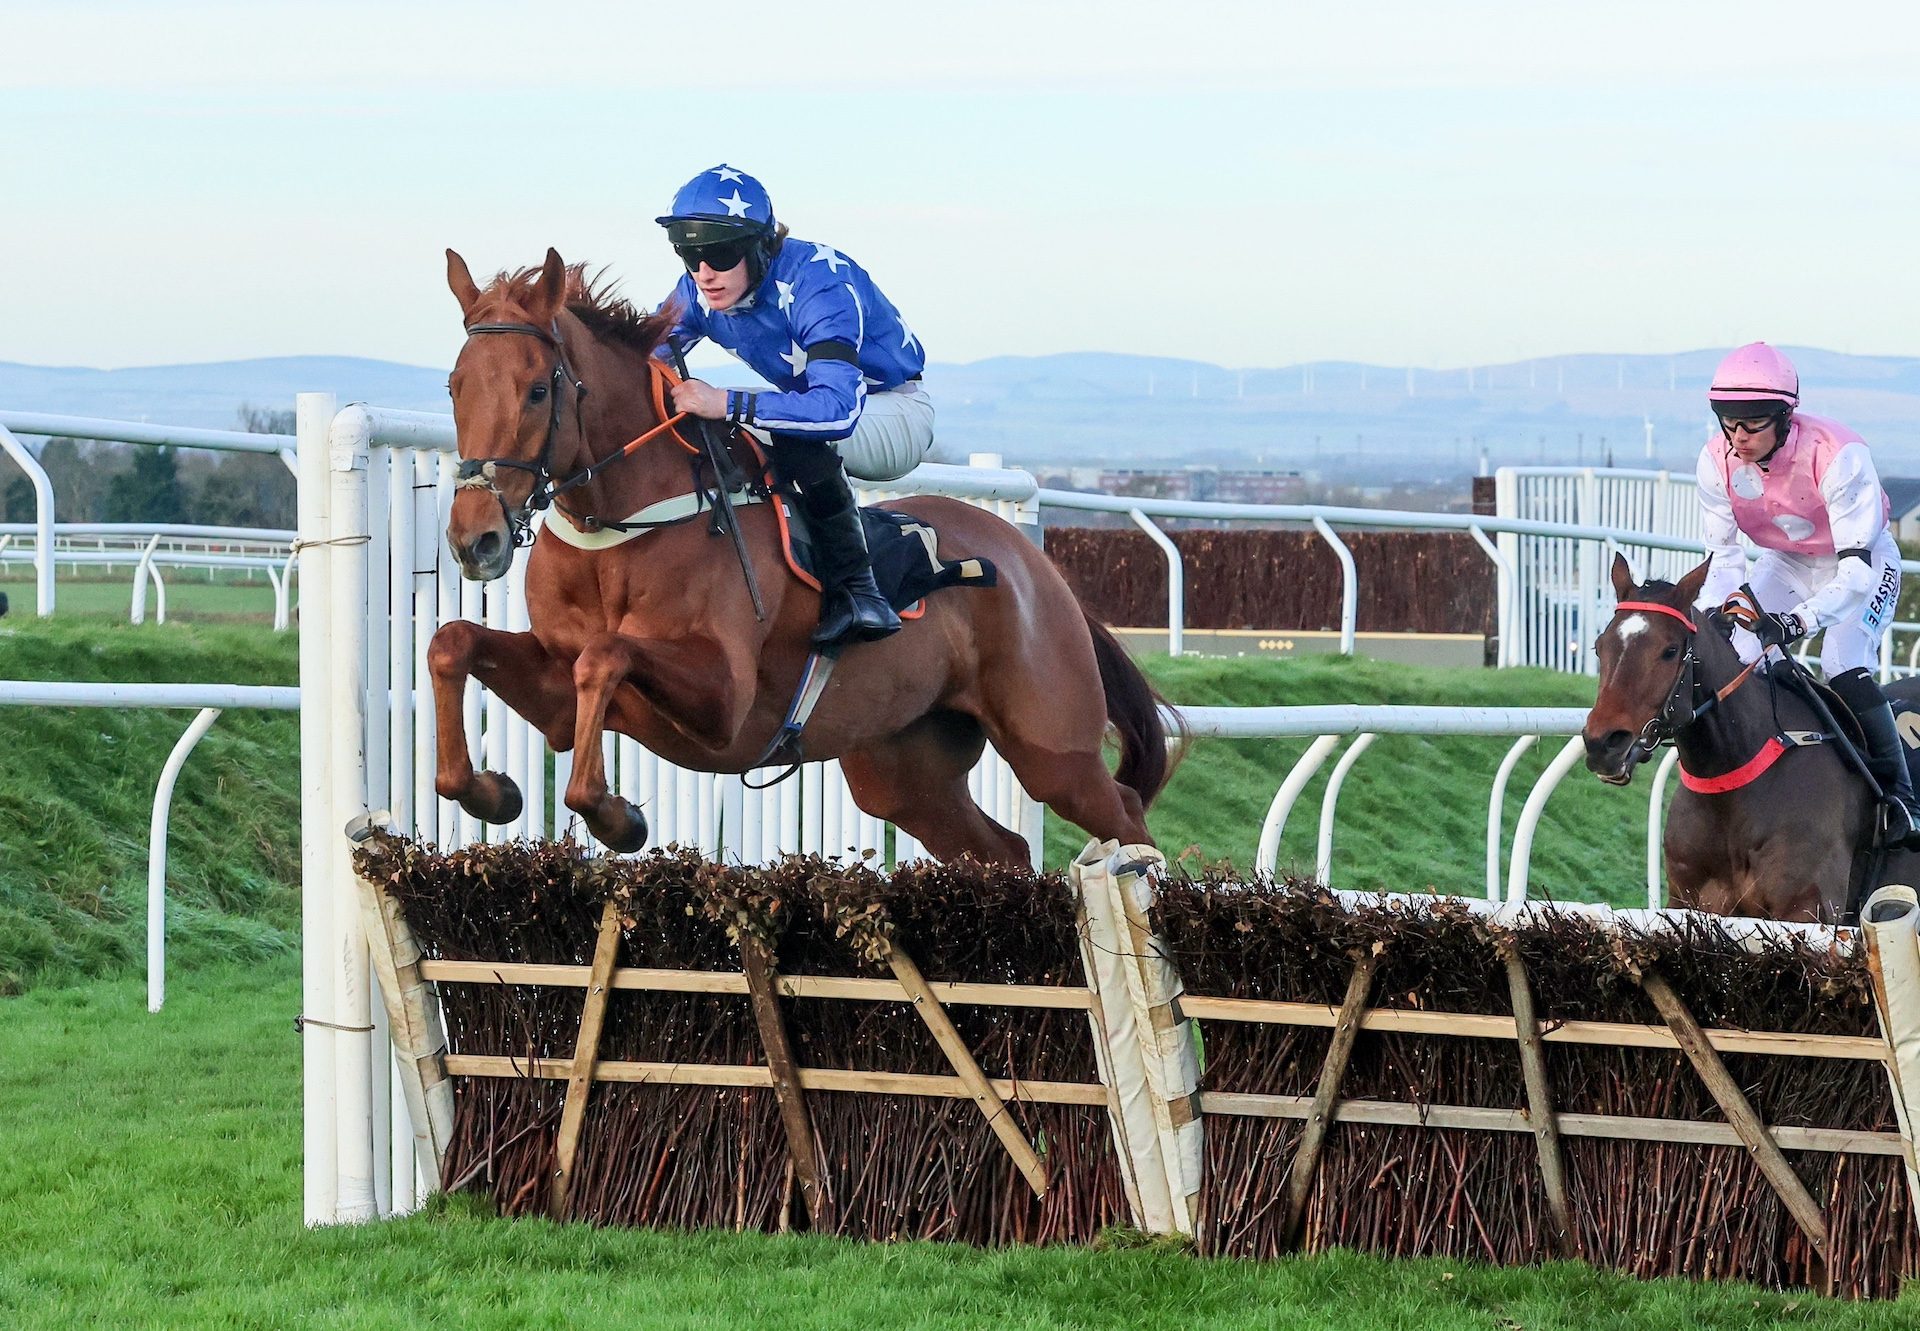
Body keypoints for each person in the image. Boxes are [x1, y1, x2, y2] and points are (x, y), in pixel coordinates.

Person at [652, 164, 933, 648]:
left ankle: (859, 591)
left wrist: (727, 401)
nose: (704, 273)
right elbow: (639, 362)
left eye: (718, 253)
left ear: (761, 245)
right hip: (823, 409)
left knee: (787, 426)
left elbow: (836, 410)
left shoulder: (819, 282)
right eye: (689, 254)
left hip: (891, 411)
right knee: (719, 429)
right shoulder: (696, 291)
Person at [1693, 341, 1920, 844]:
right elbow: (1725, 558)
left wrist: (1794, 624)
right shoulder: (1714, 461)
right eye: (1728, 423)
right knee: (1742, 656)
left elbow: (1855, 578)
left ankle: (1902, 799)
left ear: (1784, 415)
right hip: (1786, 560)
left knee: (1842, 659)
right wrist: (1722, 613)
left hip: (1862, 562)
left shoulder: (1839, 456)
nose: (1738, 437)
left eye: (1752, 424)